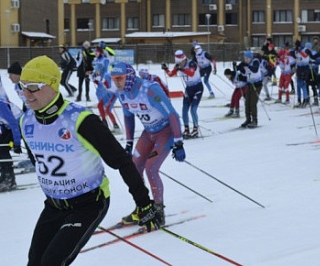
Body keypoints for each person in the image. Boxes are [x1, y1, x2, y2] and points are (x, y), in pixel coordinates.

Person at [16, 56, 160, 265]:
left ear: (53, 85)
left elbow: (121, 161)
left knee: (51, 262)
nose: (26, 94)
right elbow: (38, 161)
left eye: (33, 87)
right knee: (34, 262)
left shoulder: (81, 120)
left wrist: (144, 204)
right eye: (22, 87)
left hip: (88, 203)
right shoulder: (25, 120)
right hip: (54, 206)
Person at [110, 62, 185, 226]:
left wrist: (179, 142)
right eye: (114, 79)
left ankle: (158, 211)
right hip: (148, 132)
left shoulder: (150, 89)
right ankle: (143, 207)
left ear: (129, 77)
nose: (117, 82)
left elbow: (172, 115)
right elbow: (128, 117)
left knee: (151, 169)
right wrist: (129, 143)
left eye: (120, 78)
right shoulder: (122, 94)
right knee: (134, 168)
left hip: (165, 132)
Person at [163, 49, 203, 138]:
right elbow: (171, 74)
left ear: (184, 59)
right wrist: (166, 69)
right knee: (184, 109)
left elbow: (191, 73)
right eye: (178, 62)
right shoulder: (178, 65)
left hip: (198, 88)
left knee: (193, 109)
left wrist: (181, 69)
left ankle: (195, 129)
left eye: (180, 62)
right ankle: (186, 129)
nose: (179, 64)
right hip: (189, 89)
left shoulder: (192, 63)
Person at [236, 51, 263, 129]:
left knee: (252, 103)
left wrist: (247, 66)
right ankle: (248, 119)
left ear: (251, 58)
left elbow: (254, 69)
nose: (246, 60)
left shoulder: (255, 61)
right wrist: (236, 68)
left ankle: (255, 120)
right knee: (247, 102)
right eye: (245, 58)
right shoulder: (245, 63)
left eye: (247, 58)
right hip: (249, 84)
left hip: (257, 85)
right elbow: (239, 69)